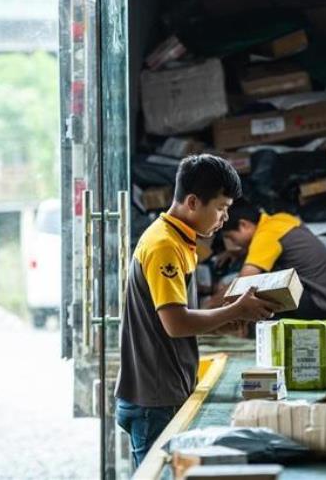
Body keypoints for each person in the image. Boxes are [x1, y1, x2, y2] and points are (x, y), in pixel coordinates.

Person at [114, 155, 280, 467]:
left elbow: (173, 320)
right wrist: (234, 310)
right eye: (220, 208)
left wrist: (226, 322)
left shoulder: (178, 239)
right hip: (155, 397)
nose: (224, 218)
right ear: (192, 202)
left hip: (161, 391)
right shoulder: (165, 245)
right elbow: (175, 324)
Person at [217, 198, 326, 320]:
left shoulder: (266, 236)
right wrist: (237, 253)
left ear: (243, 225)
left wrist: (209, 307)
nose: (234, 243)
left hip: (319, 306)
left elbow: (243, 283)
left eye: (231, 237)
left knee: (252, 291)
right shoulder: (279, 220)